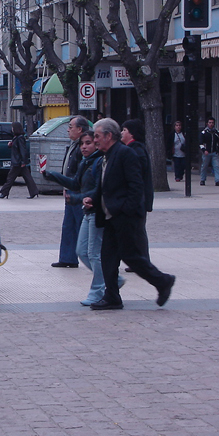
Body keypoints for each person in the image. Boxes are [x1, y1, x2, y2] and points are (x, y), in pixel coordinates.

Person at [83, 118, 175, 310]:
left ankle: (163, 281)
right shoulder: (105, 156)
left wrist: (126, 211)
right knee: (108, 257)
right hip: (110, 217)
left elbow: (136, 187)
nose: (95, 140)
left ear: (109, 136)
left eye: (98, 136)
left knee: (131, 256)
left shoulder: (126, 154)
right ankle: (112, 297)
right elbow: (105, 186)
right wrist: (93, 199)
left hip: (123, 217)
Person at [45, 130, 123, 305]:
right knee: (81, 251)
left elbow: (98, 190)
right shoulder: (85, 162)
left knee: (94, 254)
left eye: (88, 143)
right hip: (88, 211)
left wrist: (77, 199)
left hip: (97, 211)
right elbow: (75, 184)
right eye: (82, 144)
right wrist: (54, 176)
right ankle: (112, 279)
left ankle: (98, 291)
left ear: (96, 144)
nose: (84, 147)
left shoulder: (98, 162)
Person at [51, 115, 89, 268]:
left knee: (81, 225)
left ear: (80, 129)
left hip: (78, 192)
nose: (68, 130)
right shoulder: (73, 144)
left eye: (71, 127)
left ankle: (89, 256)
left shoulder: (84, 147)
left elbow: (81, 173)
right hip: (70, 190)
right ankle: (67, 258)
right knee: (69, 226)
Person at [121, 119, 153, 262]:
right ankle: (138, 258)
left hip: (138, 199)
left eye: (124, 130)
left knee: (138, 230)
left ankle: (142, 259)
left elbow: (137, 177)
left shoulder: (136, 150)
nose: (121, 133)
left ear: (132, 133)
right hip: (137, 198)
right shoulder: (133, 149)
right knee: (135, 230)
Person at [0, 122, 39, 199]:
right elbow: (17, 148)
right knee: (27, 177)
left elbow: (23, 150)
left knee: (10, 178)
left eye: (13, 128)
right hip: (19, 161)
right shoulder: (17, 137)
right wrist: (11, 145)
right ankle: (34, 192)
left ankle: (4, 192)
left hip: (18, 162)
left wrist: (23, 161)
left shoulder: (20, 138)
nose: (12, 129)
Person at [200, 117, 219, 186]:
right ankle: (202, 180)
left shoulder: (216, 132)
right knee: (204, 166)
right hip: (206, 153)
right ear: (207, 123)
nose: (211, 124)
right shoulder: (204, 133)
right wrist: (204, 150)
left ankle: (218, 180)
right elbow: (200, 143)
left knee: (217, 166)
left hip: (214, 152)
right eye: (210, 122)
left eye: (212, 123)